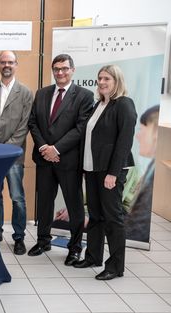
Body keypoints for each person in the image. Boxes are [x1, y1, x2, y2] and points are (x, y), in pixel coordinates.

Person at [27, 54, 94, 266]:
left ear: (72, 70)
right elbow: (33, 122)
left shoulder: (84, 95)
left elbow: (80, 128)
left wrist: (56, 148)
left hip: (68, 161)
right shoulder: (42, 93)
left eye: (64, 68)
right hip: (44, 159)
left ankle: (74, 248)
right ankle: (43, 241)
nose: (60, 72)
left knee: (74, 207)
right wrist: (44, 147)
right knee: (45, 204)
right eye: (56, 69)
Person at [73, 65, 137, 280]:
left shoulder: (124, 105)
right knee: (96, 216)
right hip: (92, 169)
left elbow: (124, 142)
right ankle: (93, 256)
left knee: (113, 218)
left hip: (110, 171)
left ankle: (115, 266)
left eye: (106, 78)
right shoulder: (98, 104)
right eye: (99, 78)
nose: (101, 82)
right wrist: (85, 167)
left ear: (116, 80)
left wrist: (113, 173)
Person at [0, 51, 33, 255]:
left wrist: (6, 148)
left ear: (16, 65)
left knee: (17, 197)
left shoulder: (26, 92)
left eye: (10, 62)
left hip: (14, 157)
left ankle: (19, 237)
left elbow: (24, 125)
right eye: (3, 62)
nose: (6, 65)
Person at [125, 105, 159, 242]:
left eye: (142, 130)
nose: (138, 136)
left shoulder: (153, 175)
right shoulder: (152, 167)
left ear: (156, 133)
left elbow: (138, 226)